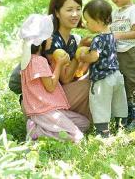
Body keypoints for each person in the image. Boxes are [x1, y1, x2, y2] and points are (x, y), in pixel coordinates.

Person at [8, 0, 92, 120]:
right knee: (90, 85)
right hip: (42, 100)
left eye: (78, 9)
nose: (75, 14)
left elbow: (77, 73)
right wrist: (78, 53)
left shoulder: (74, 38)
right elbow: (65, 78)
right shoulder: (50, 40)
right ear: (57, 12)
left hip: (56, 94)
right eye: (69, 10)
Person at [19, 14, 90, 143]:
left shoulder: (32, 60)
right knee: (77, 138)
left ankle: (43, 129)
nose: (51, 38)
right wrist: (59, 65)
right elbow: (51, 86)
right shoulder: (38, 61)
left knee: (84, 123)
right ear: (41, 41)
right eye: (49, 36)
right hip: (42, 111)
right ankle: (36, 132)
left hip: (48, 110)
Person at [80, 0, 128, 137]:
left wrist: (84, 56)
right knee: (119, 102)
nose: (86, 24)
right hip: (116, 75)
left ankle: (103, 132)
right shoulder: (111, 35)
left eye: (88, 21)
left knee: (100, 103)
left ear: (99, 21)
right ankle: (121, 127)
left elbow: (94, 57)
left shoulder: (98, 39)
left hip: (102, 78)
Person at [104, 0, 135, 126]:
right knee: (121, 82)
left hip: (129, 51)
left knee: (132, 81)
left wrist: (117, 36)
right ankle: (126, 112)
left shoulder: (134, 11)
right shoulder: (115, 12)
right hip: (116, 53)